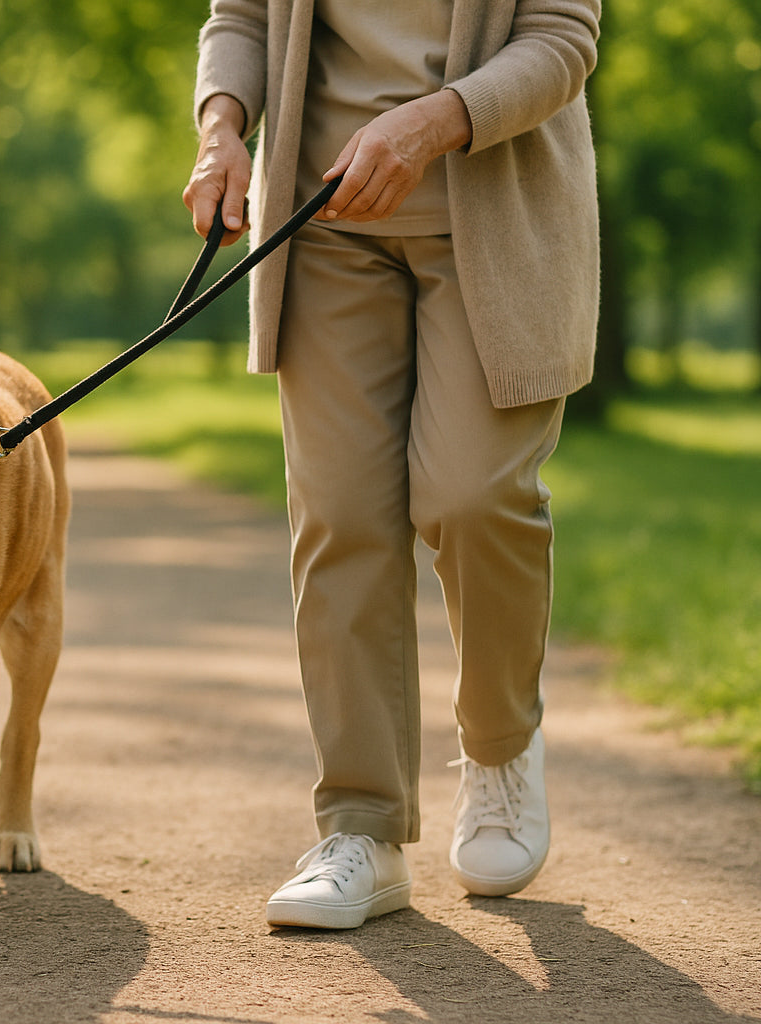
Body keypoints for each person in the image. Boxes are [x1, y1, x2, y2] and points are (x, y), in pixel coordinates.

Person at [183, 0, 601, 929]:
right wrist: (222, 129)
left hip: (496, 210)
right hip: (320, 220)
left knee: (474, 494)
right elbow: (240, 17)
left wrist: (433, 120)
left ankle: (498, 751)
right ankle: (360, 830)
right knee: (340, 515)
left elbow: (564, 40)